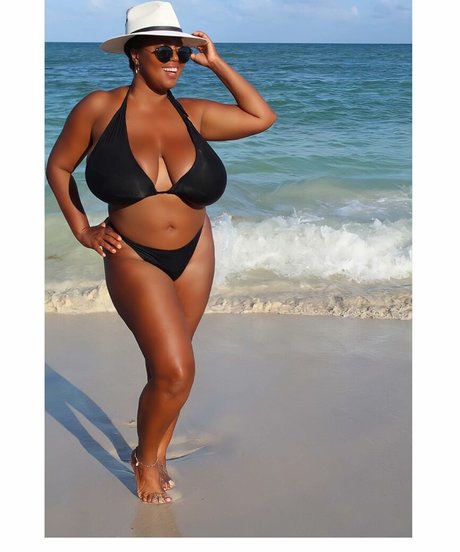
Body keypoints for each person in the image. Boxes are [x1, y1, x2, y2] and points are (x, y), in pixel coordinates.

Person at [46, 0, 276, 504]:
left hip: (196, 252)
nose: (175, 60)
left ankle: (158, 450)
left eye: (181, 52)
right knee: (176, 370)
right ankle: (145, 461)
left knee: (171, 368)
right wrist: (82, 230)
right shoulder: (99, 109)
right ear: (135, 54)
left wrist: (216, 64)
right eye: (164, 51)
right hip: (132, 253)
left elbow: (261, 117)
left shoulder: (193, 112)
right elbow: (59, 168)